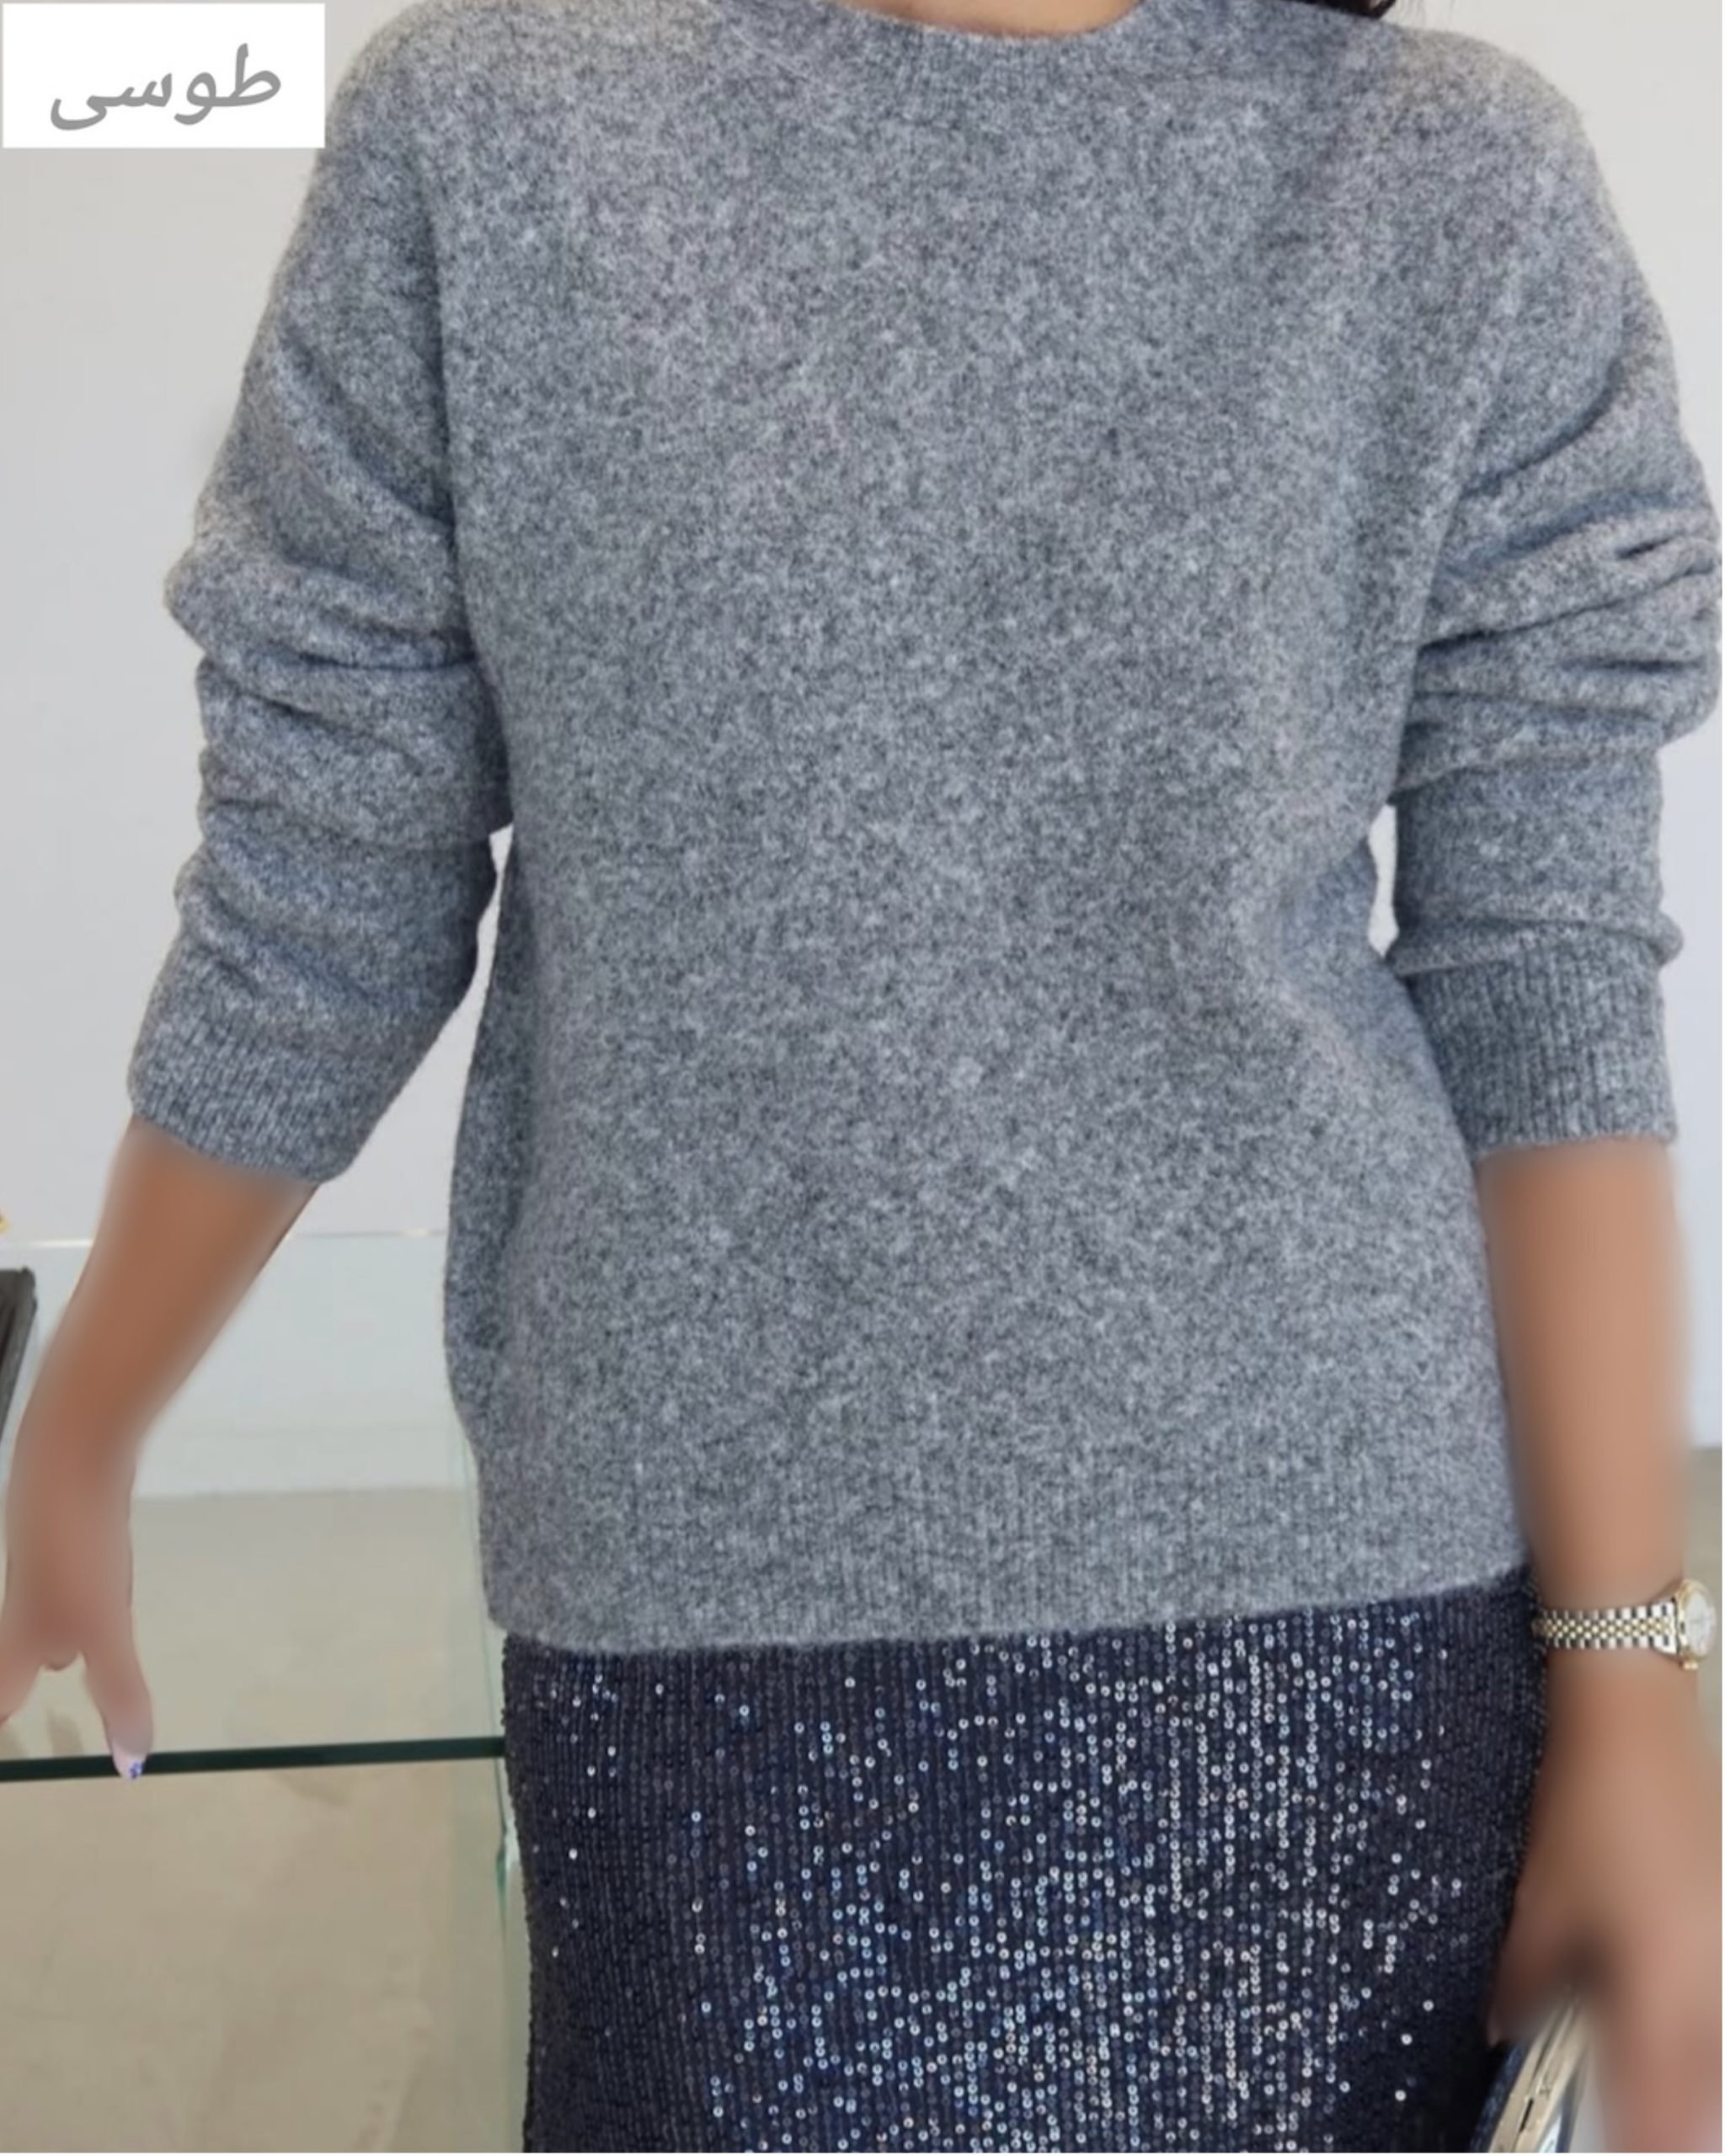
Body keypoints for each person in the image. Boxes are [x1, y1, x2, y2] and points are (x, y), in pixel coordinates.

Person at [1, 0, 1719, 2145]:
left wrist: (1632, 1670)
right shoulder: (490, 141)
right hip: (694, 1644)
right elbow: (323, 889)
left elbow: (1539, 980)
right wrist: (82, 1422)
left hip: (1334, 1639)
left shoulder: (1453, 177)